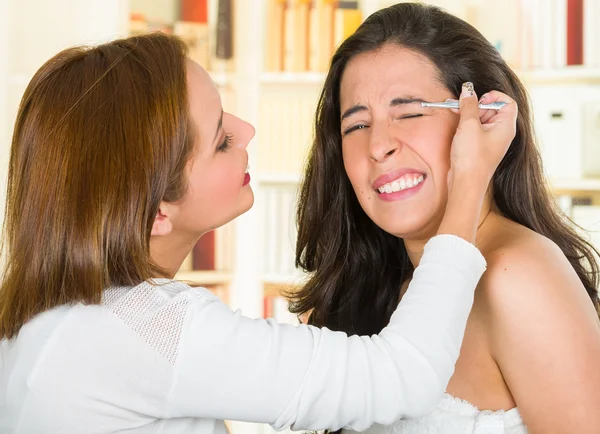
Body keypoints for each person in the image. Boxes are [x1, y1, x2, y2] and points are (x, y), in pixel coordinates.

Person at [0, 32, 513, 433]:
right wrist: (469, 183)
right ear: (158, 212)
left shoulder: (42, 321)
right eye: (222, 138)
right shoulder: (144, 330)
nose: (247, 131)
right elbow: (404, 378)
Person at [292, 3, 600, 434]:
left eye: (410, 112)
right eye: (356, 126)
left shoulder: (517, 276)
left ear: (483, 118)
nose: (379, 145)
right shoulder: (365, 287)